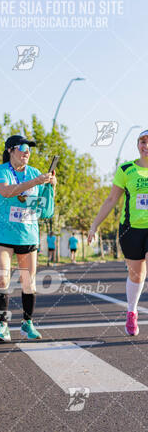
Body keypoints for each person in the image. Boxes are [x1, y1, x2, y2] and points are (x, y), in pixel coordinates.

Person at [0, 135, 56, 342]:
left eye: (30, 149)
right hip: (2, 234)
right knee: (2, 278)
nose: (27, 152)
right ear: (10, 150)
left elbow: (45, 208)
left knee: (28, 282)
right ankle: (2, 325)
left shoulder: (35, 172)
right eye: (23, 147)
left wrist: (52, 185)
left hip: (28, 233)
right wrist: (36, 181)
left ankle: (27, 323)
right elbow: (7, 192)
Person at [88, 129, 148, 336]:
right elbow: (111, 200)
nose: (146, 145)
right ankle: (132, 312)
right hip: (131, 229)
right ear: (138, 145)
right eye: (142, 141)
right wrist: (94, 225)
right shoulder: (126, 169)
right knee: (137, 274)